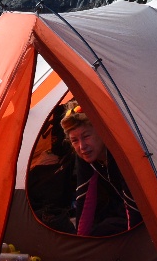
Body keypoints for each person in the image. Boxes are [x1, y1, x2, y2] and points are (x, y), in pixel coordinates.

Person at [60, 101, 140, 237]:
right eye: (74, 140)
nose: (82, 146)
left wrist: (133, 241)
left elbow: (135, 205)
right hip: (120, 207)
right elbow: (84, 199)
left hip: (148, 211)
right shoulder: (85, 155)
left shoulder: (120, 152)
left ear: (102, 132)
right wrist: (81, 242)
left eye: (86, 136)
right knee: (99, 230)